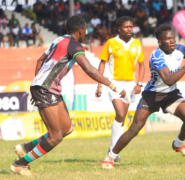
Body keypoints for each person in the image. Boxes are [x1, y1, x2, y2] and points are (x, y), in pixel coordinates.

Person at [10, 15, 126, 175]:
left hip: (46, 88)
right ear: (80, 30)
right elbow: (89, 69)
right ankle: (20, 164)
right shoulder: (74, 45)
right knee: (56, 137)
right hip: (46, 89)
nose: (85, 32)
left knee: (66, 128)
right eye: (85, 29)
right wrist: (112, 85)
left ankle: (25, 148)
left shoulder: (58, 40)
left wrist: (36, 84)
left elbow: (39, 60)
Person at [100, 24, 185, 169]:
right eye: (168, 39)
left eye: (173, 38)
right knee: (134, 129)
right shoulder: (156, 56)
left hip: (171, 95)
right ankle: (109, 158)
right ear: (160, 42)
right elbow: (168, 80)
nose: (172, 41)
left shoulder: (181, 49)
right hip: (152, 95)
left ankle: (178, 144)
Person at [95, 16, 145, 162]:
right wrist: (100, 84)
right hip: (113, 83)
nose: (129, 29)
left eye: (131, 26)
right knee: (121, 114)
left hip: (130, 84)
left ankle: (113, 151)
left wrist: (139, 84)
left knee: (122, 118)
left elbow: (142, 65)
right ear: (119, 29)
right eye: (126, 27)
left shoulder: (137, 44)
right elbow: (102, 63)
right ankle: (112, 151)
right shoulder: (111, 43)